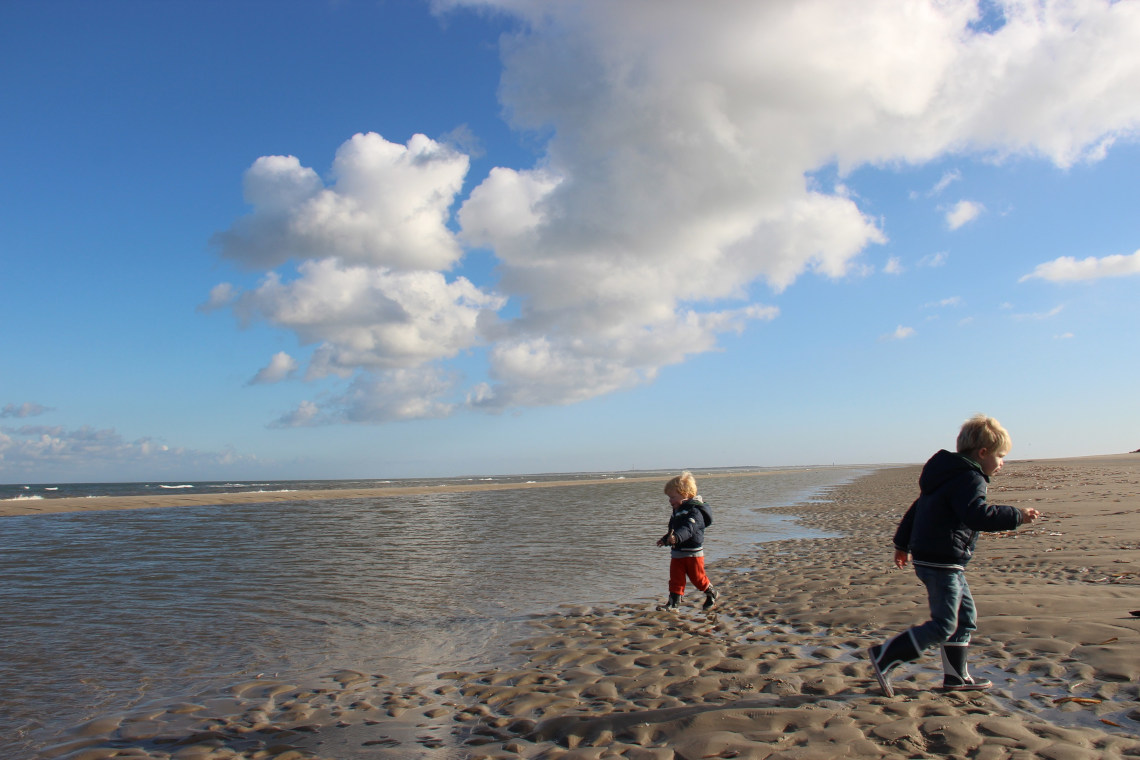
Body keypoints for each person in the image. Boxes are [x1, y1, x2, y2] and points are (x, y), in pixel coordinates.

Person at [868, 414, 1041, 696]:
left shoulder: (946, 475)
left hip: (940, 558)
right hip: (941, 561)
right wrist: (1016, 516)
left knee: (964, 618)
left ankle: (956, 677)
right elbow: (977, 516)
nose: (1001, 463)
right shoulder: (970, 479)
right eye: (1000, 456)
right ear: (982, 453)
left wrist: (902, 543)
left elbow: (917, 508)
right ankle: (885, 656)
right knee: (944, 624)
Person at [656, 471, 719, 611]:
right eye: (669, 497)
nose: (670, 500)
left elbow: (688, 529)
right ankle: (673, 604)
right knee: (675, 578)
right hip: (677, 552)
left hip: (692, 553)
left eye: (672, 497)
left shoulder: (695, 511)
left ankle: (711, 593)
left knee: (698, 579)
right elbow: (673, 530)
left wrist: (676, 537)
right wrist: (666, 539)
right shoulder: (677, 511)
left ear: (685, 494)